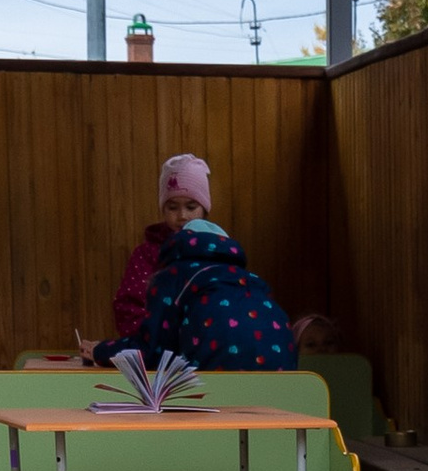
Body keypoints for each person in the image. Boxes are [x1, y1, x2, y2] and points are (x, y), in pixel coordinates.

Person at [81, 151, 297, 374]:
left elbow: (151, 347)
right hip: (284, 368)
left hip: (200, 365)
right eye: (172, 207)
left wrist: (104, 351)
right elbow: (130, 307)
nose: (182, 216)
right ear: (162, 208)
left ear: (205, 209)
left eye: (191, 207)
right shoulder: (233, 265)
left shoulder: (173, 273)